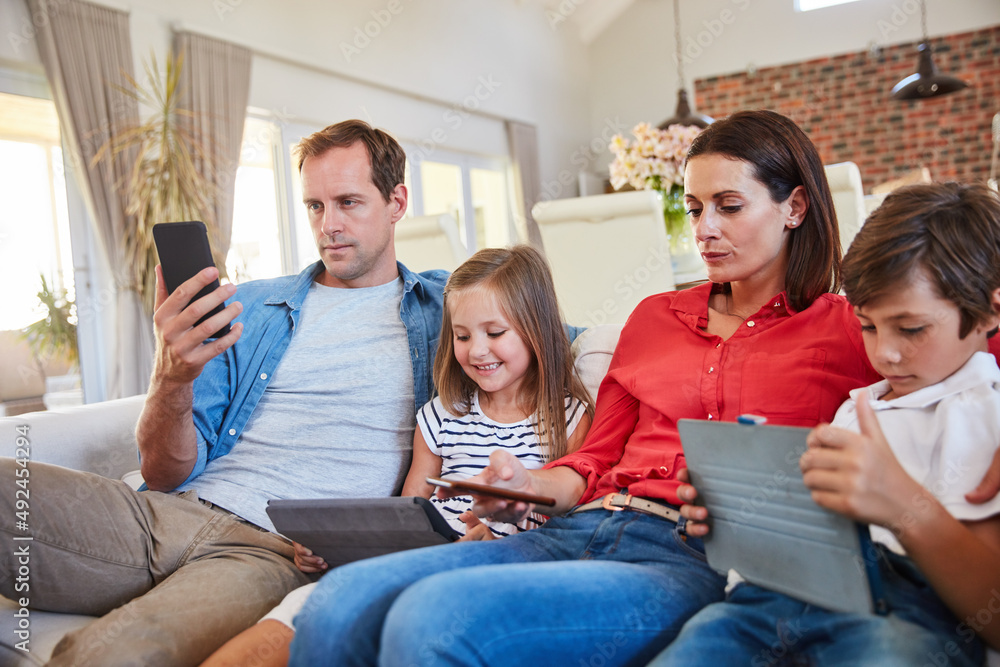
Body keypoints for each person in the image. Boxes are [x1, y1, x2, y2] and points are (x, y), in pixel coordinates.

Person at [286, 109, 887, 666]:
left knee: (435, 618)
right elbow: (594, 460)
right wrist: (526, 486)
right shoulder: (656, 316)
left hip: (689, 556)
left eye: (728, 206)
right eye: (695, 207)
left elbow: (964, 358)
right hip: (582, 524)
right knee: (338, 602)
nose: (704, 229)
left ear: (796, 206)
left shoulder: (853, 331)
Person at [0, 119, 449, 666]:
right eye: (314, 206)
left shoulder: (450, 308)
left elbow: (552, 337)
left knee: (111, 656)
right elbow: (166, 472)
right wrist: (172, 375)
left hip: (270, 549)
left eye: (348, 202)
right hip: (163, 512)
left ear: (396, 201)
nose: (328, 225)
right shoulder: (251, 307)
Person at [651, 182, 1000, 666]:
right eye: (869, 326)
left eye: (912, 328)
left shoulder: (984, 412)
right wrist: (736, 515)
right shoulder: (859, 405)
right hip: (774, 597)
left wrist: (904, 504)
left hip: (900, 610)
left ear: (988, 311)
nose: (886, 354)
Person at [202, 244, 593, 667]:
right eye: (462, 336)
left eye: (494, 333)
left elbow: (572, 516)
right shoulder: (442, 416)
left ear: (537, 328)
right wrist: (333, 546)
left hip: (502, 566)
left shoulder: (568, 418)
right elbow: (408, 514)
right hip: (424, 557)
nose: (476, 351)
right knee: (307, 605)